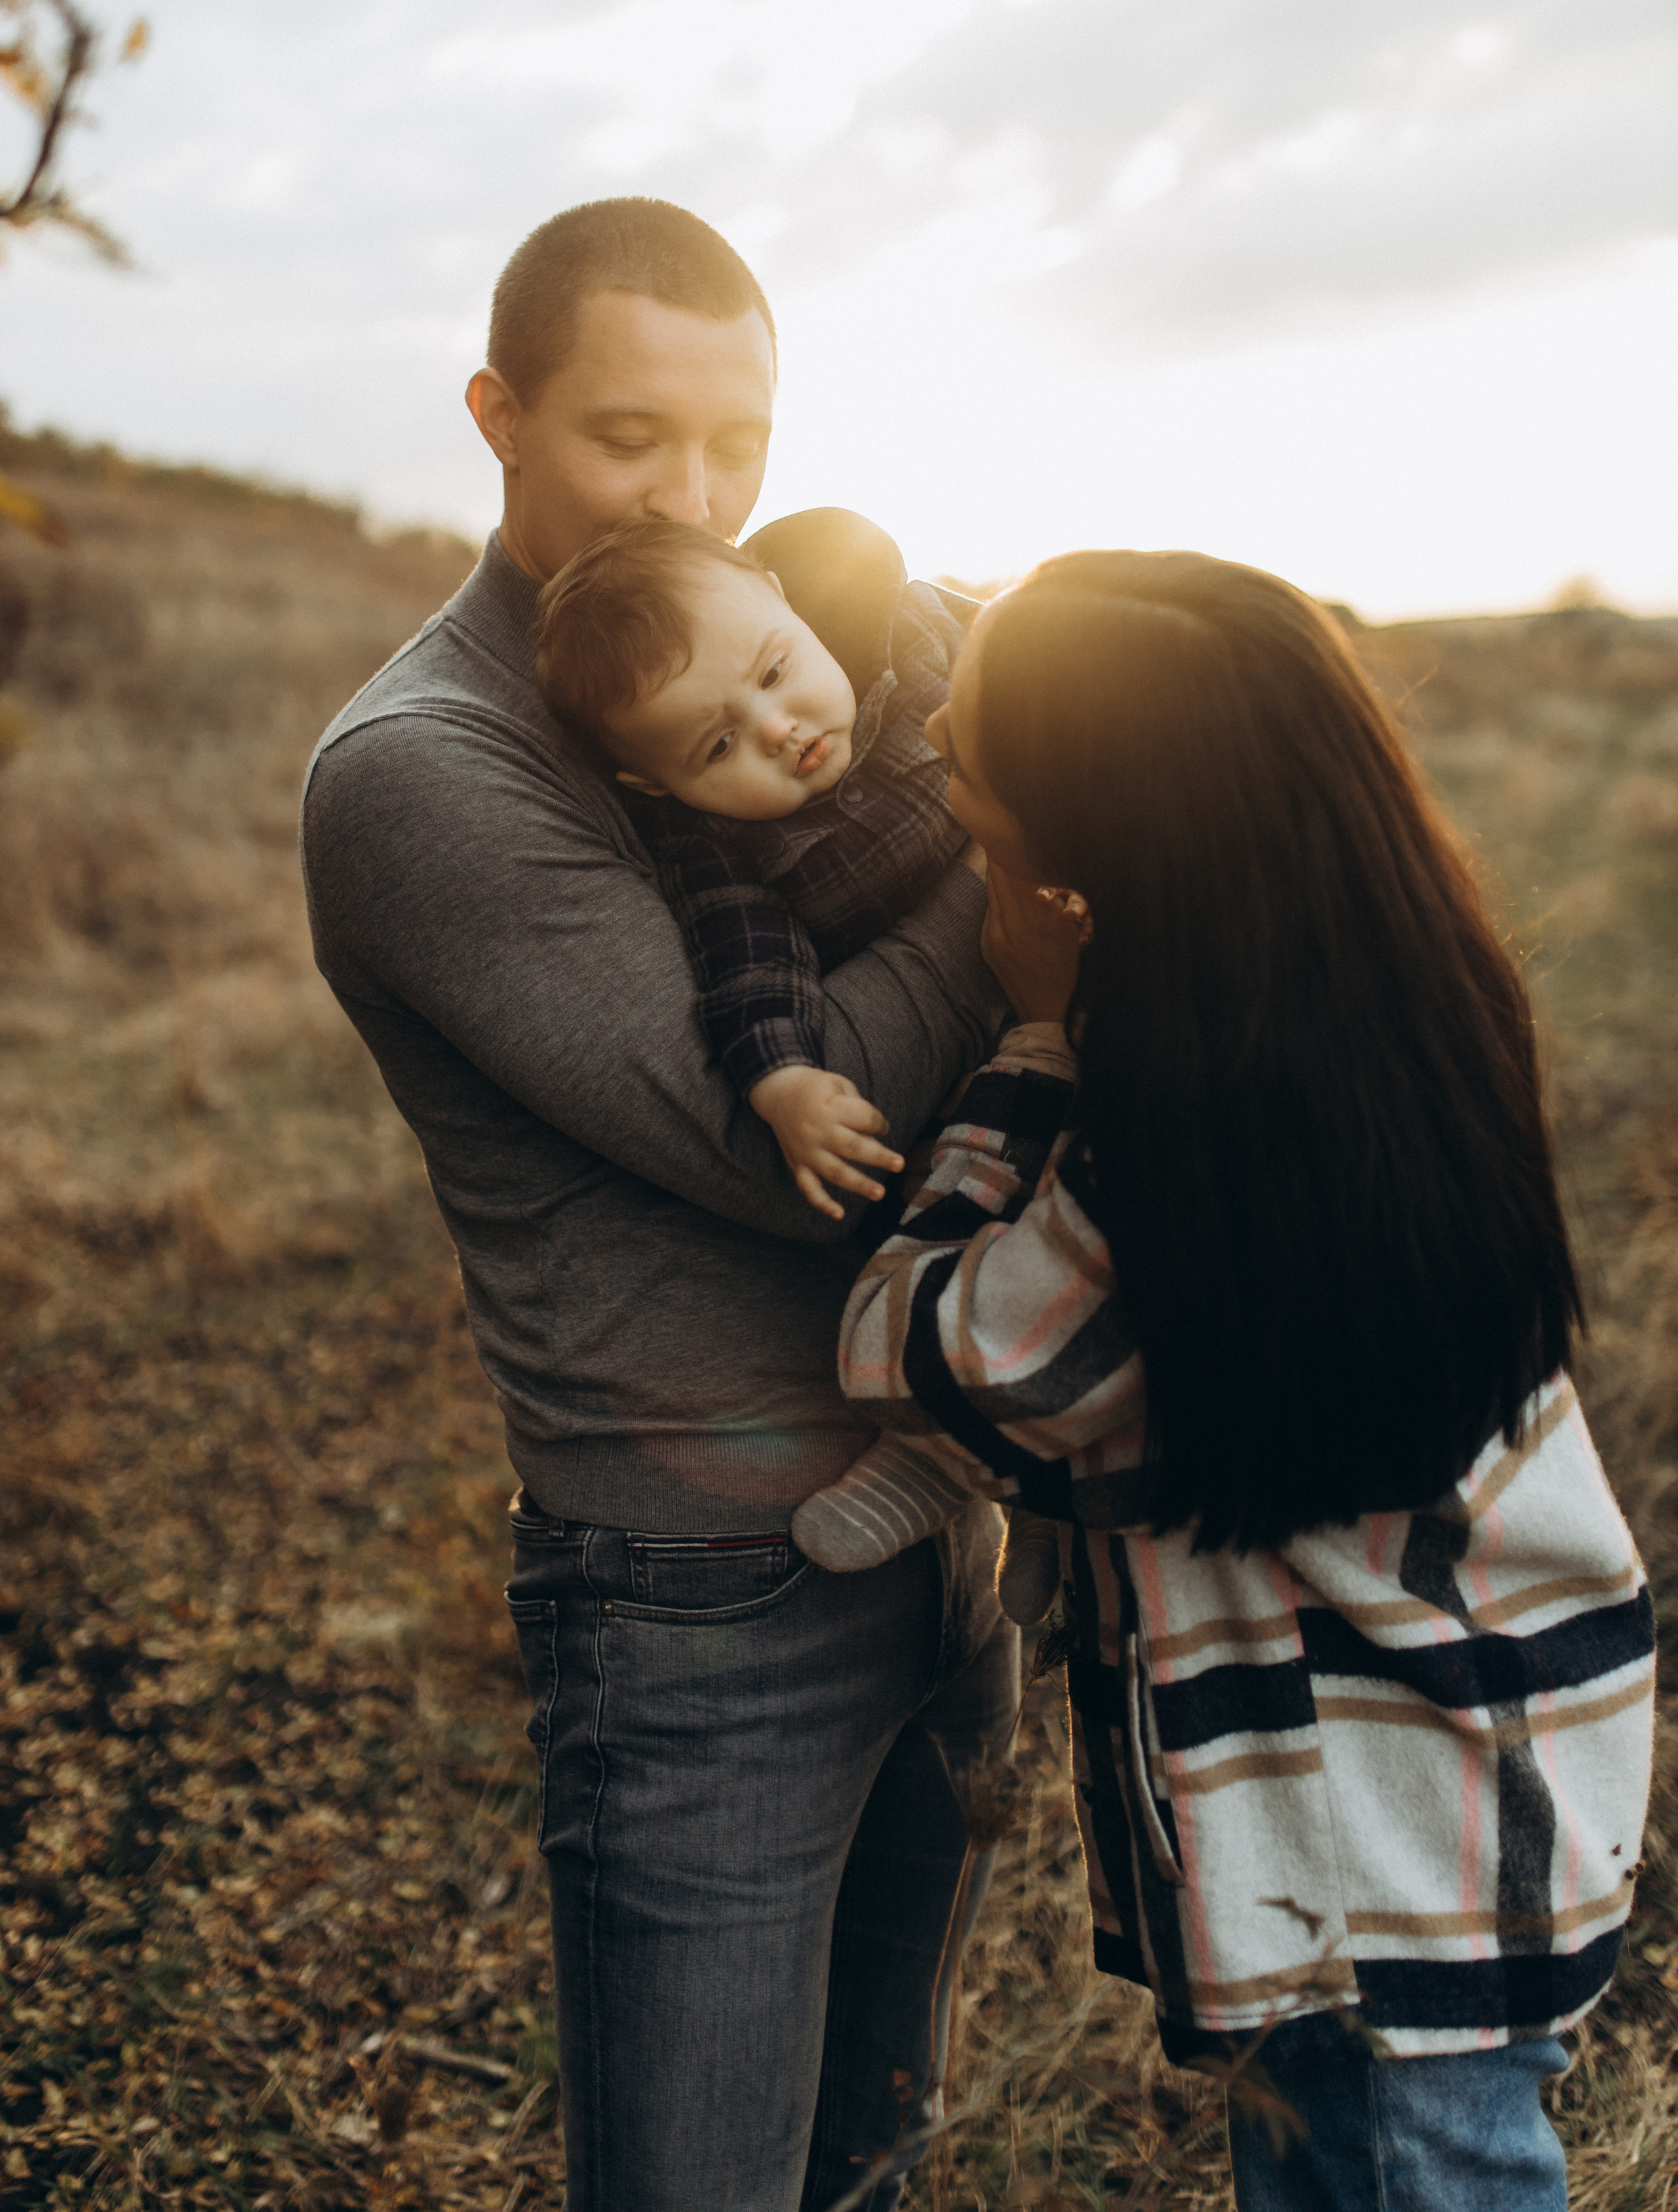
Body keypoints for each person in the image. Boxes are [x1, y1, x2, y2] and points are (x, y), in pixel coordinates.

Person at [300, 197, 1019, 2212]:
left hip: (942, 1517)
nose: (697, 502)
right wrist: (1008, 814)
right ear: (497, 416)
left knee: (877, 2160)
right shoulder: (425, 772)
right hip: (704, 1611)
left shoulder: (798, 643)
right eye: (632, 440)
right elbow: (828, 1135)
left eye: (743, 448)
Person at [827, 548, 1656, 2210]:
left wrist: (1036, 1043)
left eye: (968, 752)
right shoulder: (1368, 1036)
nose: (934, 752)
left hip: (1375, 1873)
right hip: (1456, 1804)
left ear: (1104, 830)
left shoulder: (1171, 1158)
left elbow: (911, 1345)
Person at [532, 509, 1061, 1604]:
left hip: (1088, 970)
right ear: (655, 788)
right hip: (958, 1075)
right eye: (718, 745)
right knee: (939, 1219)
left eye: (775, 670)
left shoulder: (919, 647)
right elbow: (748, 961)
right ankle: (960, 1452)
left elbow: (1052, 678)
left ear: (784, 598)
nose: (780, 728)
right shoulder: (718, 845)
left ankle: (1072, 1459)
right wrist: (782, 1081)